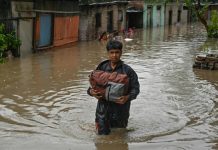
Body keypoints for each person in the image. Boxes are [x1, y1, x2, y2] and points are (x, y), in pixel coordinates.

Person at [87, 40, 140, 135]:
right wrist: (92, 92)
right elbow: (92, 86)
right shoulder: (101, 67)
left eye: (117, 52)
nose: (114, 55)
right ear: (108, 53)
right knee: (101, 138)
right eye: (112, 52)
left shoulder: (128, 71)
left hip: (121, 110)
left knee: (120, 135)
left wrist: (127, 98)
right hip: (102, 110)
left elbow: (136, 90)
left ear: (121, 53)